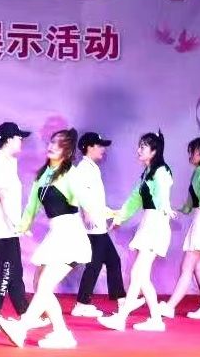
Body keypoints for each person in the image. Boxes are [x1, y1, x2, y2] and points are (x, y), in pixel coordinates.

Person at [0, 128, 96, 350]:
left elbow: (84, 197)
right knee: (40, 284)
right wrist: (21, 227)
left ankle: (21, 328)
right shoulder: (43, 175)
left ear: (67, 151)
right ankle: (62, 333)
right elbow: (31, 207)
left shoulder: (71, 174)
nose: (52, 146)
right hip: (56, 235)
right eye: (52, 142)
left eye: (59, 144)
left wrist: (90, 212)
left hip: (71, 235)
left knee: (44, 284)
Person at [98, 131, 174, 332]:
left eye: (143, 146)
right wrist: (119, 219)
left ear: (154, 151)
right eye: (139, 146)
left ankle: (122, 318)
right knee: (142, 277)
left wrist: (166, 207)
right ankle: (156, 320)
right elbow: (134, 200)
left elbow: (163, 192)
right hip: (149, 224)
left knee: (137, 273)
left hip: (157, 224)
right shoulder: (147, 173)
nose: (138, 150)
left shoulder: (161, 172)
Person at [72, 132, 130, 317]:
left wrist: (110, 213)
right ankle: (83, 303)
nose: (103, 149)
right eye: (99, 145)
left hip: (97, 224)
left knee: (108, 261)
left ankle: (120, 301)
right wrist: (87, 212)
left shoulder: (92, 168)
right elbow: (79, 194)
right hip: (92, 226)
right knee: (99, 263)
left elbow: (95, 200)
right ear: (89, 147)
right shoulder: (83, 168)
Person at [158, 132, 200, 320]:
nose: (190, 156)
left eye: (193, 152)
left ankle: (170, 307)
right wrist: (174, 209)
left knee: (187, 267)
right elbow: (190, 204)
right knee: (199, 268)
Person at [0, 122, 31, 330]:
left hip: (8, 229)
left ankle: (25, 314)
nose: (22, 141)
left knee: (14, 271)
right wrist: (16, 223)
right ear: (9, 140)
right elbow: (2, 196)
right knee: (6, 270)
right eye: (19, 137)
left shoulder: (8, 162)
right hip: (1, 229)